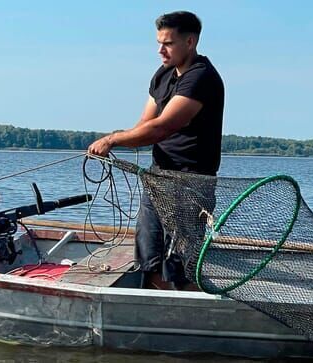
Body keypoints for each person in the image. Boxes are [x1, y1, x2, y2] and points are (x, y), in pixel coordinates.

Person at [88, 11, 224, 289]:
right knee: (150, 255)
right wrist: (122, 139)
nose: (161, 50)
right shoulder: (163, 75)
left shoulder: (200, 77)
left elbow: (164, 127)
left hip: (190, 183)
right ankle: (156, 312)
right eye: (159, 43)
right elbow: (145, 123)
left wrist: (114, 139)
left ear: (190, 42)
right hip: (157, 178)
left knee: (182, 263)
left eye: (168, 43)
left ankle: (191, 314)